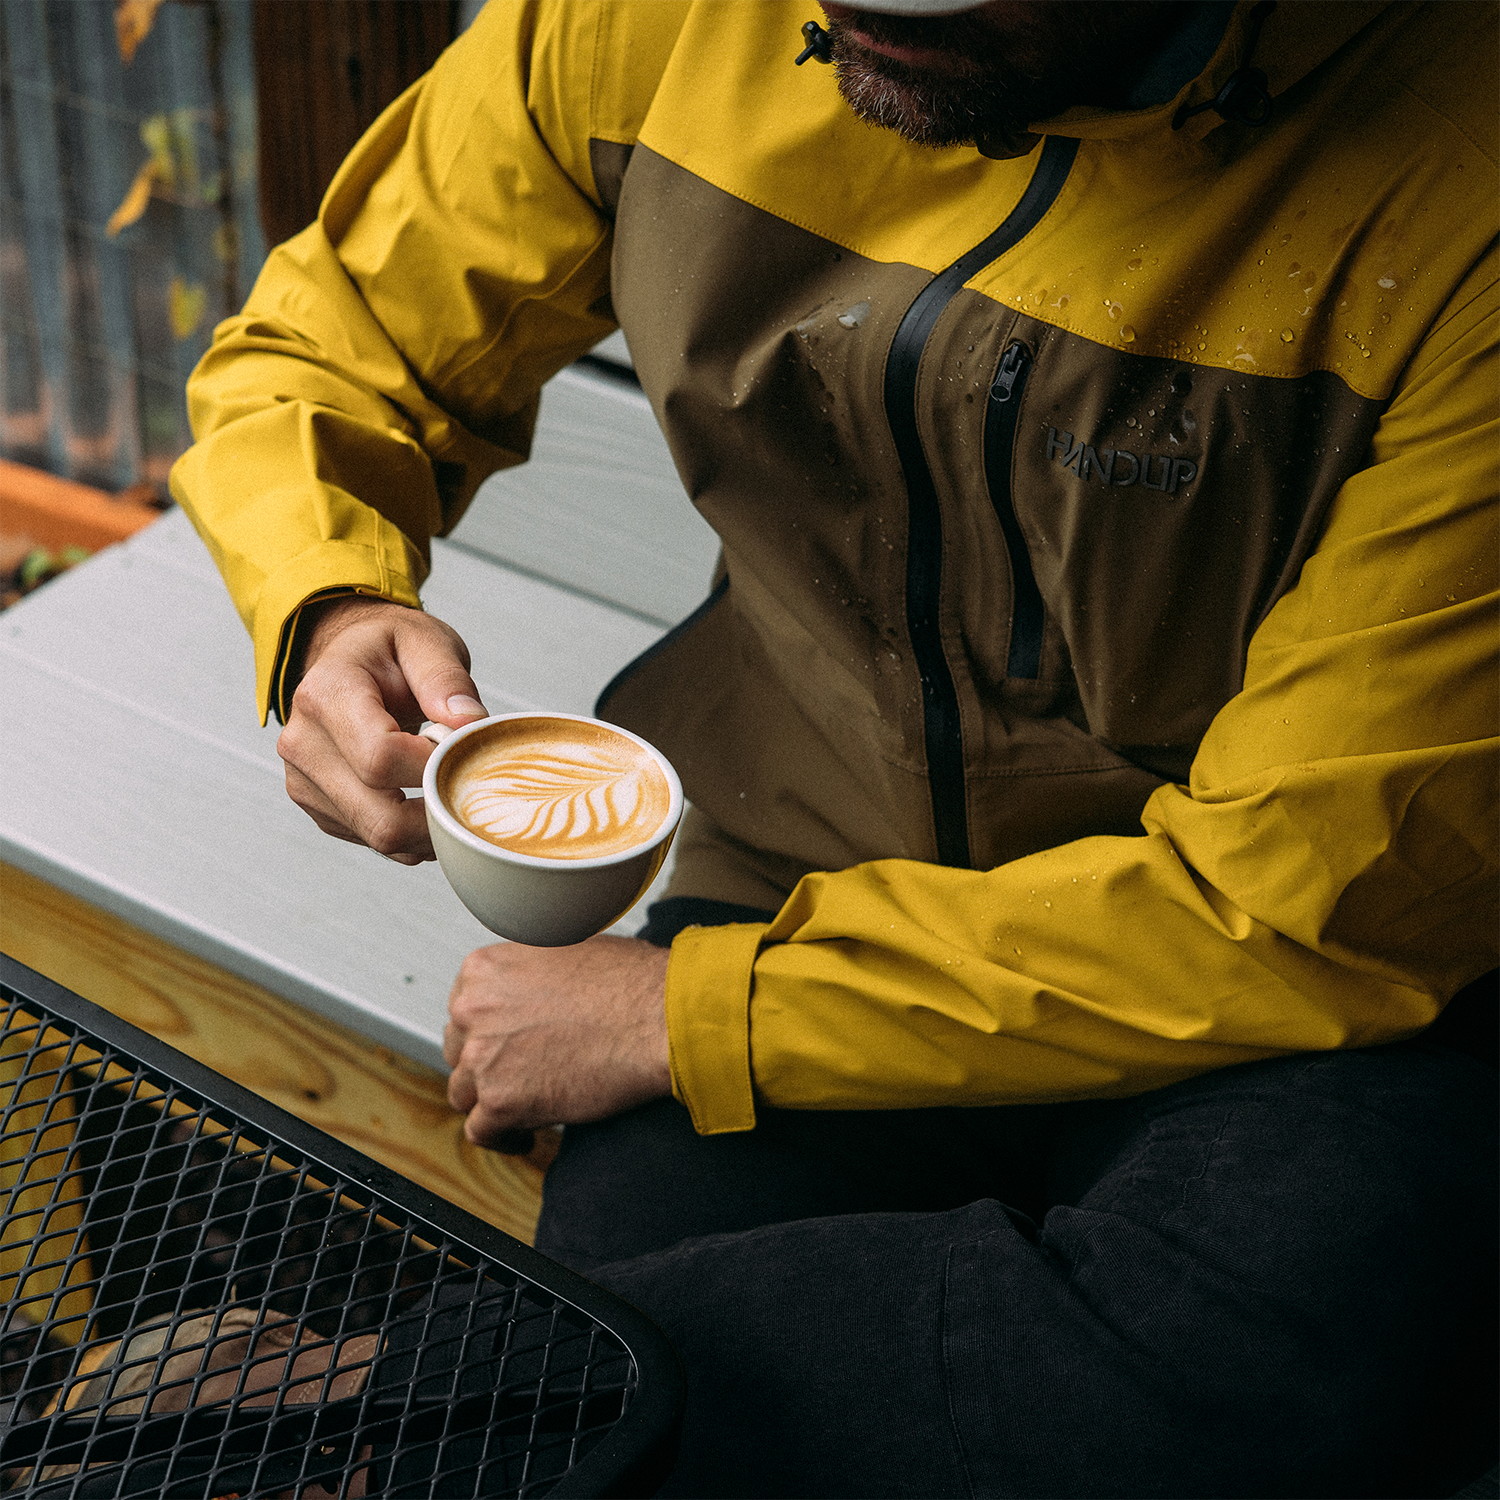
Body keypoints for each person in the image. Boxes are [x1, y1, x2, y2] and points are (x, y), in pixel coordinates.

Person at [172, 0, 1500, 1492]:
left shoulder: (1461, 181)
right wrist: (329, 597)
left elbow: (1311, 902)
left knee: (1272, 1377)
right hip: (797, 857)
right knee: (653, 1414)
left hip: (1292, 991)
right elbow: (332, 344)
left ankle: (353, 1404)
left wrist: (698, 1017)